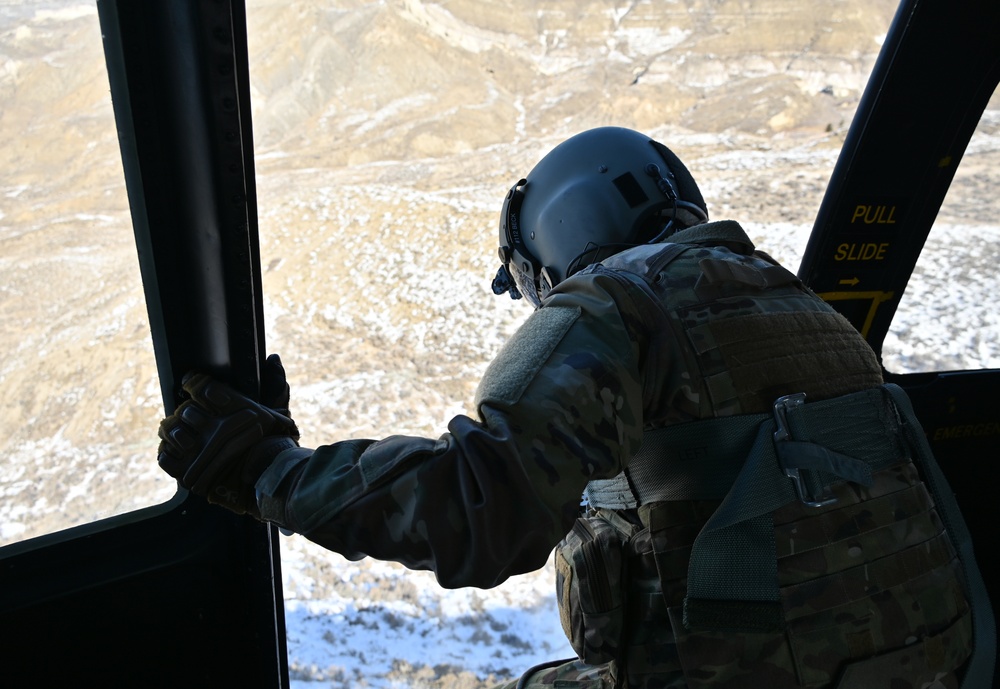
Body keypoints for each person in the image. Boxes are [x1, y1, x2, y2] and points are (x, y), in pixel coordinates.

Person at [158, 127, 979, 688]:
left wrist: (271, 470)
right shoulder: (813, 314)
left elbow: (479, 510)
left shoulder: (617, 304)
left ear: (556, 243)